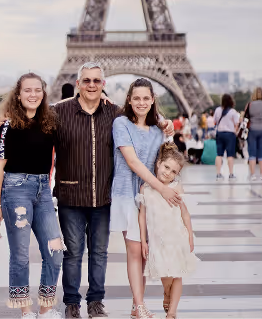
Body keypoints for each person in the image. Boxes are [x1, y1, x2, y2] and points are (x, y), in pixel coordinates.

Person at [53, 64, 174, 319]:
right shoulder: (61, 111)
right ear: (78, 83)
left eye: (97, 80)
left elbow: (143, 117)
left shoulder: (114, 113)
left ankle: (96, 301)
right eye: (87, 80)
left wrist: (164, 122)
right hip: (73, 195)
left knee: (99, 252)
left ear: (104, 84)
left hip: (103, 195)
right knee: (74, 252)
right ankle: (72, 303)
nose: (92, 85)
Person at [0, 73, 65, 319]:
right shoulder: (8, 124)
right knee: (21, 255)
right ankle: (26, 311)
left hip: (43, 190)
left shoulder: (50, 121)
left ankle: (45, 309)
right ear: (18, 94)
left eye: (37, 90)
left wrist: (104, 99)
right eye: (27, 90)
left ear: (43, 93)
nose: (33, 94)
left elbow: (77, 103)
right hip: (16, 190)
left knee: (54, 252)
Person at [110, 78, 181, 319]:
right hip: (127, 194)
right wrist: (161, 188)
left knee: (143, 252)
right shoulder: (120, 123)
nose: (141, 102)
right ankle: (139, 305)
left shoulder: (158, 129)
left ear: (152, 101)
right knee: (134, 250)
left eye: (146, 98)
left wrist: (166, 124)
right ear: (129, 100)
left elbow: (166, 159)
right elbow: (132, 162)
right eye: (136, 98)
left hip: (149, 197)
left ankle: (136, 303)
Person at [137, 143, 198, 319]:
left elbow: (185, 214)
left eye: (173, 171)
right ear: (158, 163)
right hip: (157, 241)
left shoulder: (176, 188)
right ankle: (167, 292)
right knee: (165, 272)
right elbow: (142, 216)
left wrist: (190, 236)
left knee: (177, 273)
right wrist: (143, 240)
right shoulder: (145, 189)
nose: (168, 173)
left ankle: (172, 312)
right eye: (166, 167)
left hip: (177, 238)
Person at [214, 94, 240, 181]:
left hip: (220, 133)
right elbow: (236, 124)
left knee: (219, 154)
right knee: (230, 155)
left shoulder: (217, 110)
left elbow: (215, 121)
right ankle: (231, 174)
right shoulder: (233, 112)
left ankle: (218, 173)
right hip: (230, 134)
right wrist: (235, 132)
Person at [246, 87, 262, 181]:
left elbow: (245, 117)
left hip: (252, 129)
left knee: (252, 153)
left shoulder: (250, 105)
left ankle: (253, 174)